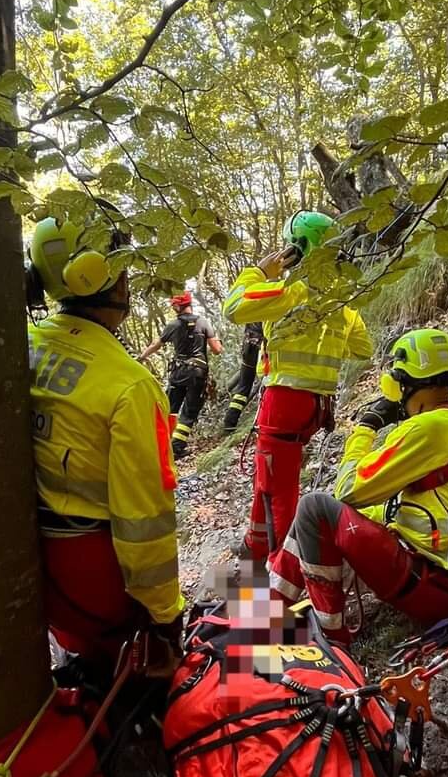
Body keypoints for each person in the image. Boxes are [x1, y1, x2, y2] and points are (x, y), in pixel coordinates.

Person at [269, 328, 448, 645]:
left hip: (442, 593)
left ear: (408, 384)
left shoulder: (428, 428)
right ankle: (269, 609)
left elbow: (347, 489)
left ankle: (331, 639)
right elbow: (416, 505)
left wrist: (365, 430)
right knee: (318, 518)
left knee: (314, 507)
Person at [27, 215, 185, 674]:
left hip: (40, 581)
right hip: (94, 585)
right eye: (121, 268)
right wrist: (166, 615)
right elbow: (145, 522)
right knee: (241, 583)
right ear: (99, 273)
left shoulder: (21, 346)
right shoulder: (128, 385)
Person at [223, 210, 373, 561]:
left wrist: (259, 272)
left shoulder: (291, 291)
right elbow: (362, 348)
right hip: (317, 407)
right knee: (270, 477)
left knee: (280, 490)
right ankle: (256, 545)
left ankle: (281, 572)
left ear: (297, 247)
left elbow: (233, 307)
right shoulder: (340, 300)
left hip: (284, 404)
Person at [138, 293, 222, 460]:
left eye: (173, 305)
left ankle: (159, 445)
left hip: (179, 373)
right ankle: (176, 448)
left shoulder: (173, 325)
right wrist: (217, 341)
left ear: (177, 306)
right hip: (197, 373)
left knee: (170, 409)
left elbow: (156, 344)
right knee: (189, 412)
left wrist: (141, 358)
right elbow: (217, 350)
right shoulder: (203, 322)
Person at [222, 321, 263, 432]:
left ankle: (229, 423)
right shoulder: (270, 305)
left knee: (243, 387)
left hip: (249, 345)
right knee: (266, 382)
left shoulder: (251, 304)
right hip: (261, 346)